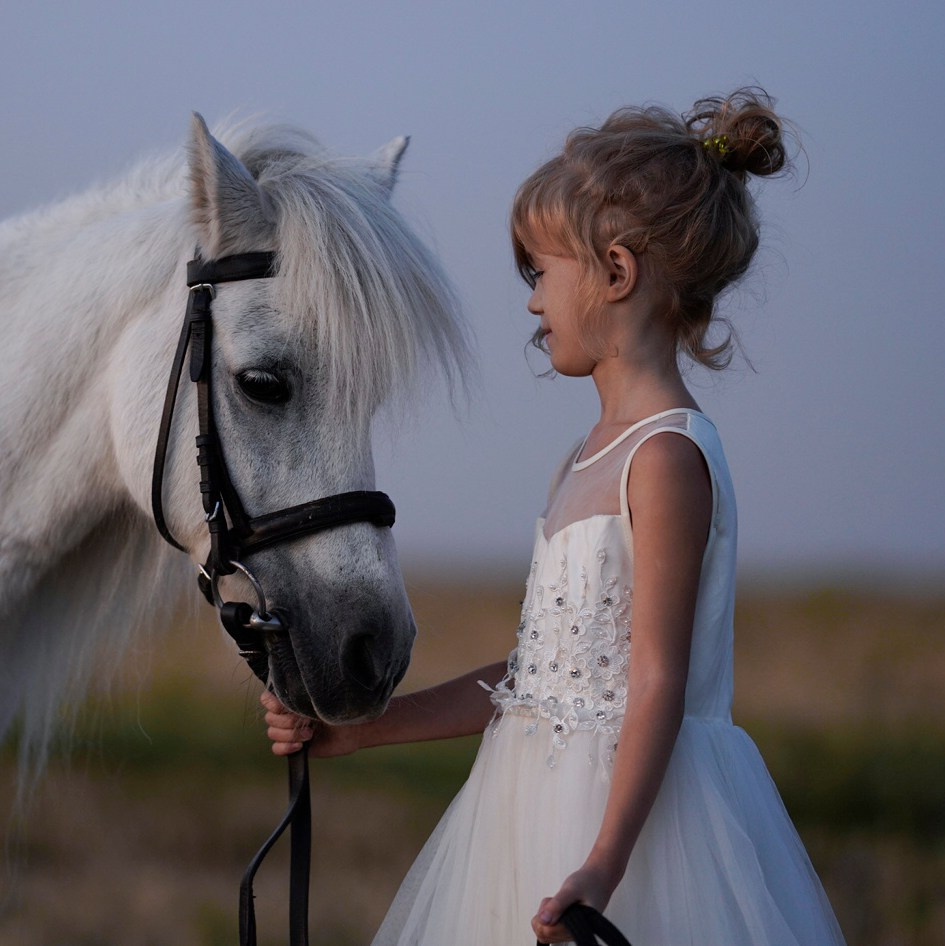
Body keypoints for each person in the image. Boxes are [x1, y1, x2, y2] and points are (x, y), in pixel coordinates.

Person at [260, 88, 846, 945]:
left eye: (540, 273)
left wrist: (603, 866)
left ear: (614, 271)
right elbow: (536, 685)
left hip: (633, 840)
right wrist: (362, 731)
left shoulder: (665, 458)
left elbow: (655, 683)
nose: (532, 303)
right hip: (519, 818)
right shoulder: (580, 459)